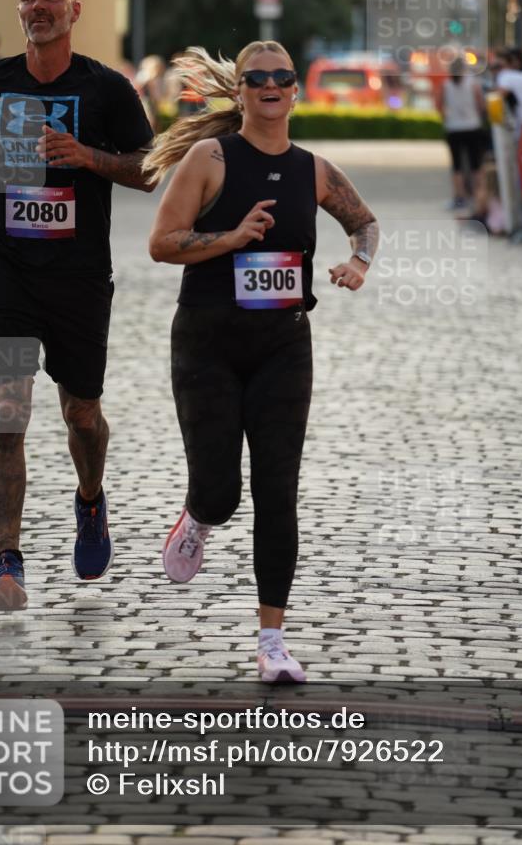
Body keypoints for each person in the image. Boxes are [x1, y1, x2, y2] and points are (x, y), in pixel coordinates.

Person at [146, 41, 379, 682]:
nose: (271, 85)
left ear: (295, 90)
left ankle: (272, 640)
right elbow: (161, 243)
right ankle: (199, 515)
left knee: (278, 491)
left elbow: (365, 223)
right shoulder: (210, 158)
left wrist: (359, 261)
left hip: (283, 346)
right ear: (240, 91)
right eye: (257, 78)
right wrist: (232, 238)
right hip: (208, 343)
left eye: (282, 76)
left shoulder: (314, 170)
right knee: (221, 491)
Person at [0, 0, 153, 611]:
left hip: (79, 275)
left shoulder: (107, 88)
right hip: (6, 268)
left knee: (81, 413)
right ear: (19, 12)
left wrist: (88, 156)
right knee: (9, 409)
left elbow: (149, 170)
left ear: (74, 11)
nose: (39, 6)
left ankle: (90, 499)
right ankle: (7, 561)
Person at [438, 57, 486, 212]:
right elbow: (481, 105)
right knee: (476, 164)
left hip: (453, 128)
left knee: (457, 165)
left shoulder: (446, 85)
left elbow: (439, 105)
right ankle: (478, 196)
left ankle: (460, 197)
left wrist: (447, 118)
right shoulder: (473, 84)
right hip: (472, 126)